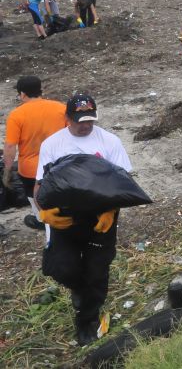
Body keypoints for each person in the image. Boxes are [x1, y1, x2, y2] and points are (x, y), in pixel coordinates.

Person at [35, 94, 133, 346]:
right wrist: (43, 213)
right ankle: (80, 288)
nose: (85, 125)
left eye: (89, 120)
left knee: (97, 271)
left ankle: (87, 320)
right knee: (61, 268)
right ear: (67, 118)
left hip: (100, 219)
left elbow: (124, 182)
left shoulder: (109, 141)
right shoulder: (52, 144)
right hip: (65, 220)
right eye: (79, 120)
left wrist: (110, 211)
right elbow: (40, 185)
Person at [3, 76, 67, 230]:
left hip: (31, 169)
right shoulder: (61, 108)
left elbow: (10, 147)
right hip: (60, 164)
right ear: (40, 90)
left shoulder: (17, 115)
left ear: (23, 94)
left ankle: (40, 219)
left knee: (32, 193)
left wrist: (7, 171)